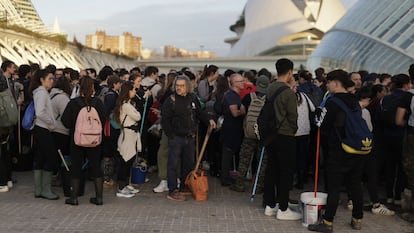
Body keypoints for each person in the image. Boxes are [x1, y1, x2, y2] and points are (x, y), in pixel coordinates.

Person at [308, 70, 366, 232]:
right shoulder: (354, 100)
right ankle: (357, 219)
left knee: (333, 186)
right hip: (356, 147)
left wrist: (317, 115)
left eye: (328, 82)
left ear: (335, 82)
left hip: (338, 150)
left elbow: (322, 125)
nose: (327, 85)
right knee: (355, 184)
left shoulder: (332, 102)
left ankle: (327, 222)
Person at [161, 76, 216, 201]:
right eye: (177, 86)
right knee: (173, 164)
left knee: (188, 163)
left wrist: (209, 120)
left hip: (189, 137)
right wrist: (171, 135)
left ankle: (184, 186)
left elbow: (200, 113)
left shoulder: (192, 98)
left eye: (182, 85)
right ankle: (173, 190)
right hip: (176, 138)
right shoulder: (171, 100)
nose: (179, 88)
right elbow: (165, 120)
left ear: (187, 87)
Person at [262, 58, 300, 220]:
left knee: (271, 169)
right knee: (286, 172)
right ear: (290, 72)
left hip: (270, 135)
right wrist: (293, 130)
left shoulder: (270, 88)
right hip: (285, 135)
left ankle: (270, 205)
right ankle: (283, 208)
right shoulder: (288, 93)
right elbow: (293, 116)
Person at [62, 76, 106, 206]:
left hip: (77, 140)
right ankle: (99, 198)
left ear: (79, 87)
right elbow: (103, 119)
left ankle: (74, 198)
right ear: (93, 87)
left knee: (76, 167)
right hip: (94, 140)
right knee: (96, 166)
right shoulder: (98, 103)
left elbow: (65, 121)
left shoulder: (73, 103)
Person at [29, 69, 59, 200]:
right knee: (50, 158)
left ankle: (39, 189)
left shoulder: (40, 92)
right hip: (43, 128)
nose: (52, 81)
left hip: (41, 128)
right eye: (50, 79)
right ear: (42, 79)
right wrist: (51, 122)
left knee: (40, 157)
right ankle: (45, 189)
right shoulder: (41, 93)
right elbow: (40, 112)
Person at [113, 81, 142, 198]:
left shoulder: (127, 104)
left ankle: (125, 184)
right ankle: (121, 187)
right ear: (128, 91)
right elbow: (137, 116)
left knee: (128, 160)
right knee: (125, 161)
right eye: (133, 89)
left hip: (130, 136)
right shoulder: (126, 105)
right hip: (127, 136)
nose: (135, 91)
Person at [220, 73, 246, 186]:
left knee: (229, 154)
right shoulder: (231, 95)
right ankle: (225, 179)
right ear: (234, 83)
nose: (243, 82)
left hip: (233, 129)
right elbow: (235, 113)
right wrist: (243, 111)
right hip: (230, 130)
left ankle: (226, 176)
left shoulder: (234, 95)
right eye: (240, 81)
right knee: (227, 154)